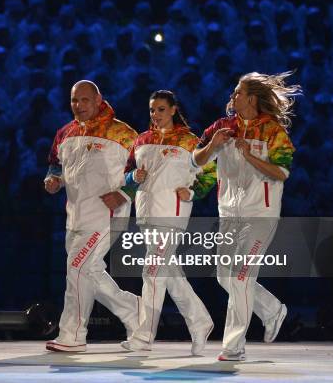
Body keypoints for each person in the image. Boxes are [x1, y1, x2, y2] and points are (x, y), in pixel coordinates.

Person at [193, 71, 300, 361]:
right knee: (224, 276)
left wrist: (250, 156)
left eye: (238, 92)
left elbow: (282, 173)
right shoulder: (222, 127)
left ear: (251, 98)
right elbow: (195, 160)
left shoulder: (273, 131)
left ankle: (233, 346)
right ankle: (272, 309)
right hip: (228, 214)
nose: (233, 96)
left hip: (260, 215)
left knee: (240, 277)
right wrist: (213, 146)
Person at [44, 80, 140, 352]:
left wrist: (124, 194)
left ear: (99, 100)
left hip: (107, 214)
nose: (79, 105)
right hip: (75, 215)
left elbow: (144, 169)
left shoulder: (122, 133)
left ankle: (73, 335)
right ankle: (137, 313)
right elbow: (56, 166)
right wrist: (53, 180)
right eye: (75, 100)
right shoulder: (65, 133)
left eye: (85, 100)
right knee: (89, 272)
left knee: (77, 269)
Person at [121, 90, 214, 354]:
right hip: (146, 214)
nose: (155, 114)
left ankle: (143, 336)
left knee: (151, 273)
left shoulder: (189, 141)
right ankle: (200, 321)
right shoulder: (141, 140)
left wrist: (194, 191)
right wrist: (132, 177)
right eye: (152, 110)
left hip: (172, 214)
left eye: (161, 109)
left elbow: (210, 171)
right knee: (169, 274)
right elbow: (126, 173)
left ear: (173, 110)